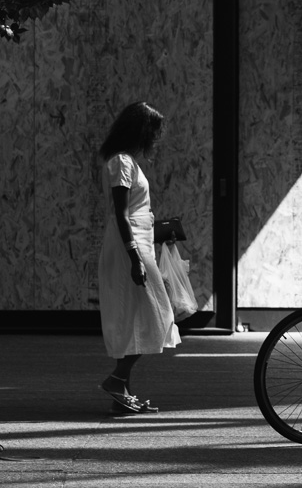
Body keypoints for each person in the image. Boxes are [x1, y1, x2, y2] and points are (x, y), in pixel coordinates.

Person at [97, 101, 180, 414]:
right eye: (153, 133)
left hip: (137, 241)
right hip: (128, 247)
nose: (155, 139)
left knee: (133, 318)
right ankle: (117, 379)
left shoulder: (128, 161)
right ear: (140, 131)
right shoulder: (122, 162)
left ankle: (123, 394)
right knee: (159, 316)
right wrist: (134, 257)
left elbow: (132, 211)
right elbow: (120, 213)